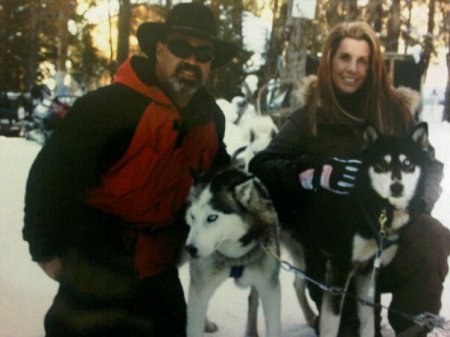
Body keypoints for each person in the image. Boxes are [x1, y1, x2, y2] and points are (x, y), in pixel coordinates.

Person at [22, 3, 238, 337]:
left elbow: (220, 176)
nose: (192, 61)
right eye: (181, 48)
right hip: (95, 264)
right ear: (160, 49)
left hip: (159, 269)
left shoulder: (210, 119)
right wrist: (45, 250)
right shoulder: (108, 107)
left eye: (203, 54)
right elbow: (49, 178)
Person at [249, 21, 450, 337]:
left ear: (373, 66)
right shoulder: (310, 116)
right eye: (345, 58)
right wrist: (312, 172)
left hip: (390, 240)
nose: (352, 69)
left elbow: (432, 166)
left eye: (362, 61)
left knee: (432, 235)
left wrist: (416, 203)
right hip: (333, 253)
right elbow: (262, 165)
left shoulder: (396, 110)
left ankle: (414, 328)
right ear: (330, 60)